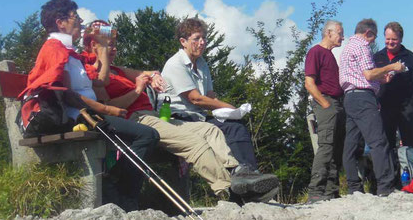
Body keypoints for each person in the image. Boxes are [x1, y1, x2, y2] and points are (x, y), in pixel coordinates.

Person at [82, 20, 278, 203]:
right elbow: (107, 108)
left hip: (155, 117)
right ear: (94, 46)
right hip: (136, 120)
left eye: (115, 45)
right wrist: (138, 90)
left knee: (210, 130)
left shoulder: (118, 70)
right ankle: (229, 192)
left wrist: (154, 77)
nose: (114, 49)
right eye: (109, 45)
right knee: (194, 142)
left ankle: (238, 173)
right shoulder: (93, 72)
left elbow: (149, 73)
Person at [18, 0, 159, 211]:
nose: (81, 20)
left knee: (147, 135)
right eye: (76, 16)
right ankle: (120, 191)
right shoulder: (55, 50)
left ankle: (119, 190)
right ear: (60, 22)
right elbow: (64, 93)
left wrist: (102, 48)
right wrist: (105, 108)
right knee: (147, 135)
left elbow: (101, 80)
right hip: (79, 116)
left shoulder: (70, 53)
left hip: (89, 114)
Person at [161, 18, 278, 189]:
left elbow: (209, 96)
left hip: (197, 118)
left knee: (235, 125)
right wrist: (230, 107)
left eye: (204, 38)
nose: (202, 43)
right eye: (197, 39)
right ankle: (238, 177)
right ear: (183, 42)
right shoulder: (175, 64)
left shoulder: (201, 64)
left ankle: (249, 174)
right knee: (218, 129)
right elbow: (196, 98)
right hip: (177, 120)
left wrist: (228, 112)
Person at [339, 18, 405, 196]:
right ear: (368, 33)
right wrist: (392, 67)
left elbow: (360, 74)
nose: (374, 41)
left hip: (349, 97)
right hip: (362, 98)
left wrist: (381, 78)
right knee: (378, 141)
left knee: (351, 145)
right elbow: (368, 74)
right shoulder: (362, 46)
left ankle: (354, 187)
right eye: (374, 37)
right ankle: (386, 186)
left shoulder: (348, 48)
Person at [304, 20, 345, 202]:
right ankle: (315, 191)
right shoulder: (316, 52)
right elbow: (309, 83)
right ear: (329, 33)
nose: (342, 37)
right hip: (326, 102)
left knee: (336, 148)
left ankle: (331, 190)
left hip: (336, 102)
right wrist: (325, 103)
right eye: (340, 33)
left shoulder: (329, 55)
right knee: (326, 146)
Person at [373, 22, 413, 150]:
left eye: (394, 39)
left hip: (406, 110)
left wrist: (412, 106)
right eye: (387, 39)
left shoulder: (410, 58)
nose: (390, 42)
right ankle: (390, 170)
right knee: (385, 147)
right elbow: (370, 82)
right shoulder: (377, 57)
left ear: (401, 39)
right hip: (385, 109)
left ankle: (411, 170)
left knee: (411, 147)